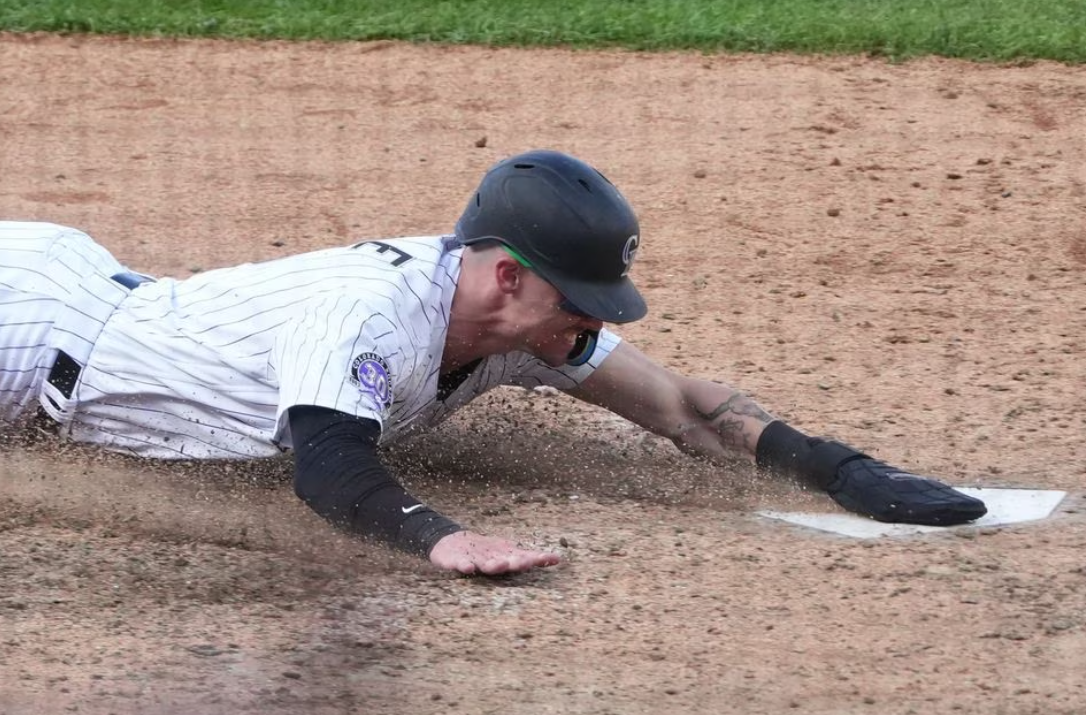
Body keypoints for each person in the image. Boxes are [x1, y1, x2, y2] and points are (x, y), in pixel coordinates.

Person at [0, 149, 986, 575]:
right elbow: (330, 469)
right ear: (508, 277)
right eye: (583, 302)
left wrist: (838, 466)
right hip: (25, 328)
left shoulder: (518, 329)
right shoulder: (370, 316)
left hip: (71, 292)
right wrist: (441, 537)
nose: (593, 326)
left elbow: (684, 410)